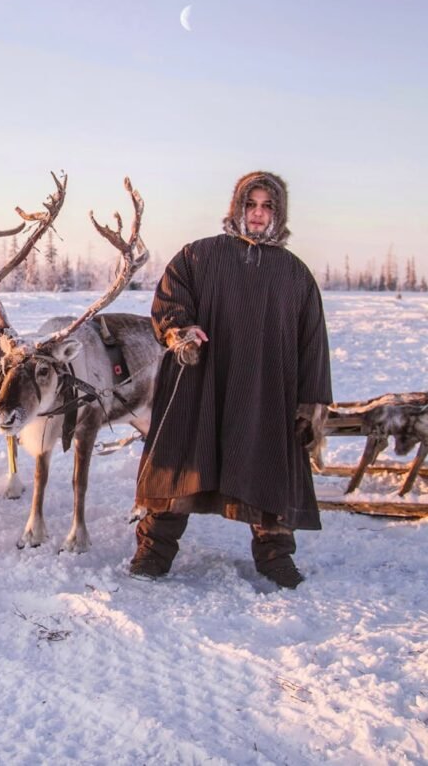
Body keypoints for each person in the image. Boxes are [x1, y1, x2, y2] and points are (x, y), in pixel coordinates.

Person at [129, 171, 332, 588]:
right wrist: (181, 332)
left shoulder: (294, 274)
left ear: (278, 213)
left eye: (267, 206)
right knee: (181, 462)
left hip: (266, 390)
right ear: (236, 207)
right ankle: (154, 552)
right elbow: (168, 301)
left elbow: (313, 342)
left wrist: (312, 403)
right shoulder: (198, 256)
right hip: (201, 382)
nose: (257, 215)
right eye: (250, 204)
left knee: (269, 465)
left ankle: (275, 558)